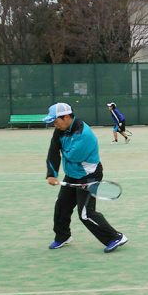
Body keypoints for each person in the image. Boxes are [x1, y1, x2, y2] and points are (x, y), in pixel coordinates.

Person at [43, 102, 128, 252]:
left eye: (55, 121)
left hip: (89, 176)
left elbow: (69, 155)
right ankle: (62, 236)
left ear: (67, 117)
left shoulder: (84, 135)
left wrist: (84, 185)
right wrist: (51, 174)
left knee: (85, 213)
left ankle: (115, 237)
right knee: (62, 205)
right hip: (73, 174)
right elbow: (53, 150)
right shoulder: (60, 130)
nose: (54, 125)